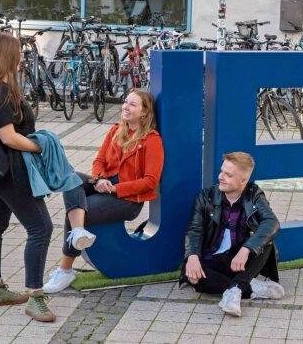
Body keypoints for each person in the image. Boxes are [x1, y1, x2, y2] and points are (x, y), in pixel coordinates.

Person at [0, 32, 56, 322]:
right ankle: (36, 296)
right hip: (12, 169)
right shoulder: (1, 90)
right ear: (8, 56)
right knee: (41, 228)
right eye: (18, 53)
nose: (21, 58)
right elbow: (8, 137)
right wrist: (39, 145)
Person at [43, 89, 165, 293]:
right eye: (126, 102)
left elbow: (150, 182)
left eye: (133, 104)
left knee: (78, 210)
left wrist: (114, 188)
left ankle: (65, 270)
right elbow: (99, 161)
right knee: (71, 179)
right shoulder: (116, 131)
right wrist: (99, 179)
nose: (126, 106)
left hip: (128, 199)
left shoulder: (152, 140)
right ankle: (79, 233)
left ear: (144, 112)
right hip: (105, 184)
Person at [181, 152, 284, 317]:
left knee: (266, 242)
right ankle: (246, 287)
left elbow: (272, 223)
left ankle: (235, 291)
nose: (221, 177)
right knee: (196, 278)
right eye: (222, 171)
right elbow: (194, 228)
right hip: (214, 259)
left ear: (243, 180)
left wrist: (246, 249)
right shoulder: (205, 197)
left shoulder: (254, 195)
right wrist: (192, 256)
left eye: (228, 175)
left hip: (240, 261)